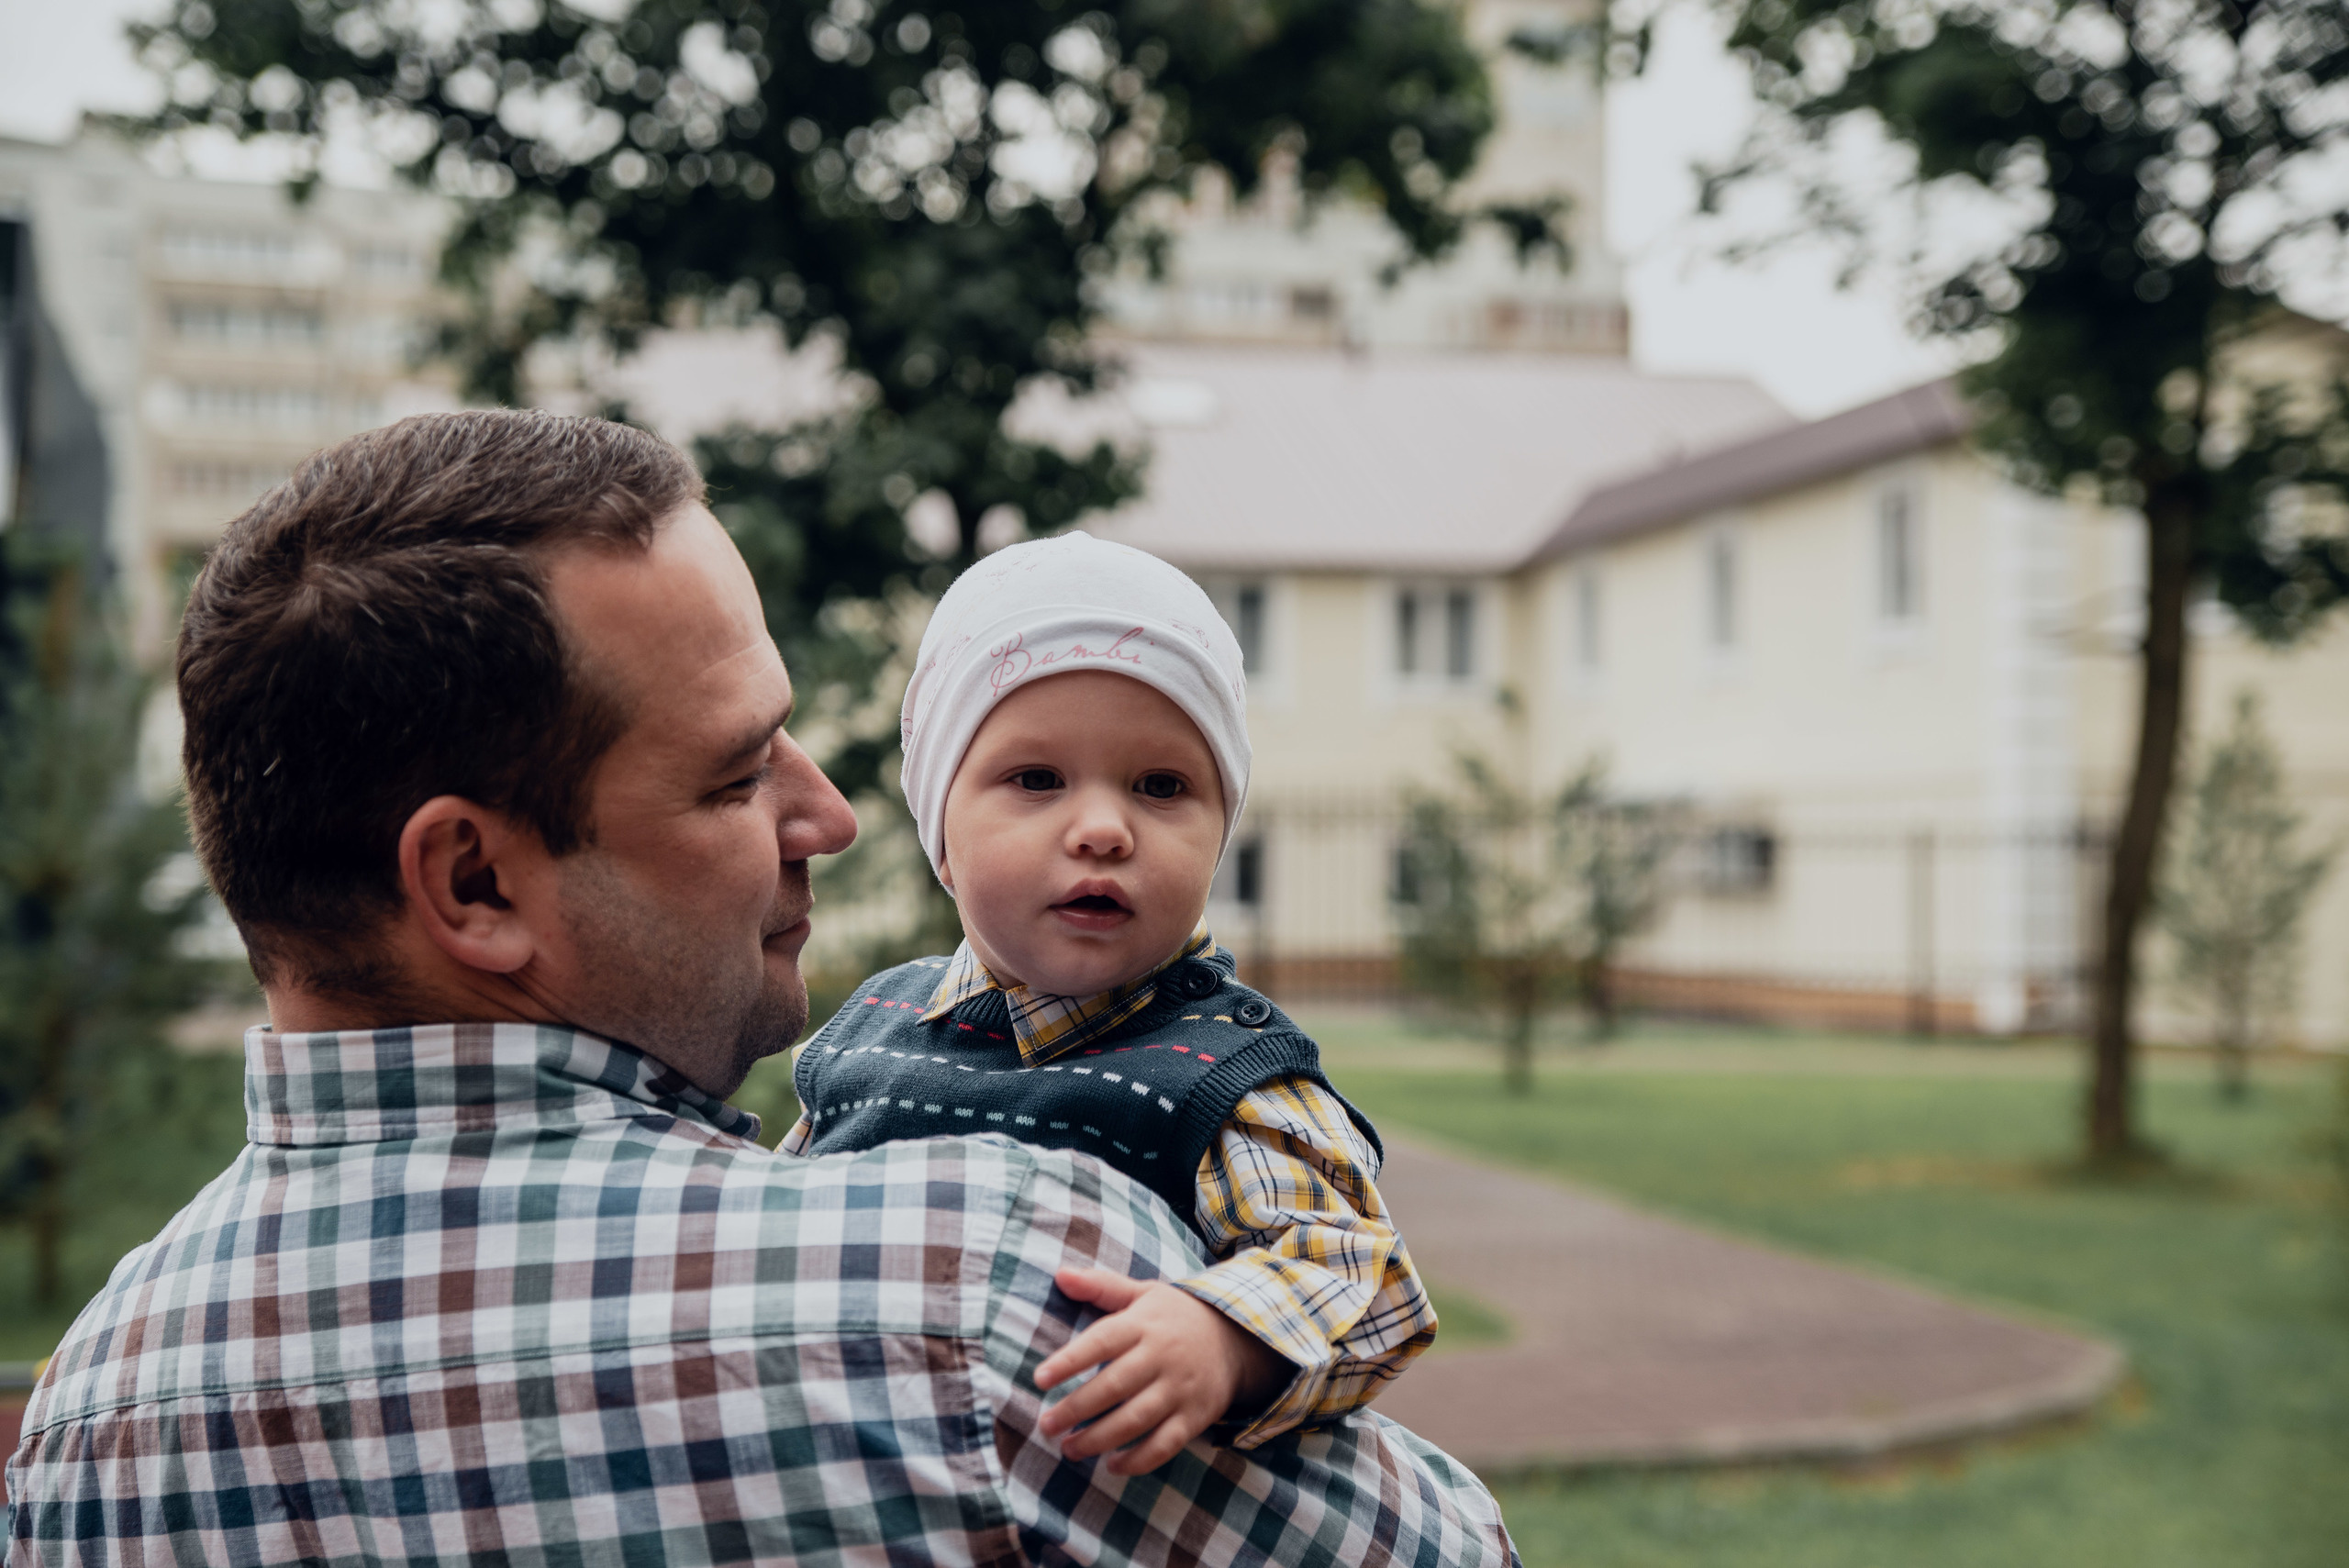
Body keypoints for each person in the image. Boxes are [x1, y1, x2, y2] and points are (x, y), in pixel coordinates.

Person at [2, 411, 1517, 1568]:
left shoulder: (84, 1425)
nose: (833, 813)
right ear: (473, 882)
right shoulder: (1002, 1290)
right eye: (738, 772)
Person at [784, 533, 1436, 1476]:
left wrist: (1223, 1337)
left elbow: (1364, 1276)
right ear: (941, 832)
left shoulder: (1228, 1075)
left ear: (1221, 833)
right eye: (1036, 778)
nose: (1100, 827)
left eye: (1161, 785)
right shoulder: (870, 1030)